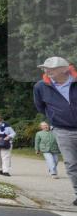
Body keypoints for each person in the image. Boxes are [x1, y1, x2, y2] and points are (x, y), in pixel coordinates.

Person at [33, 56, 77, 205]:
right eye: (46, 68)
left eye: (52, 68)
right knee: (71, 163)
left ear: (65, 69)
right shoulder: (40, 86)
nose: (47, 71)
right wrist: (54, 117)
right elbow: (40, 107)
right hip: (62, 130)